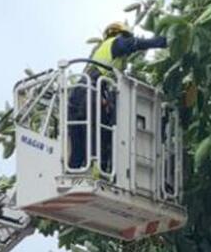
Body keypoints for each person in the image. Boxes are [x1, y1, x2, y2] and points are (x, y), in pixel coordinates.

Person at [68, 20, 169, 173]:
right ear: (121, 34)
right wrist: (163, 42)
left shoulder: (101, 51)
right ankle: (99, 173)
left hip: (78, 95)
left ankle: (74, 173)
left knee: (79, 145)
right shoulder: (116, 43)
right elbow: (135, 44)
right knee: (99, 136)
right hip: (90, 93)